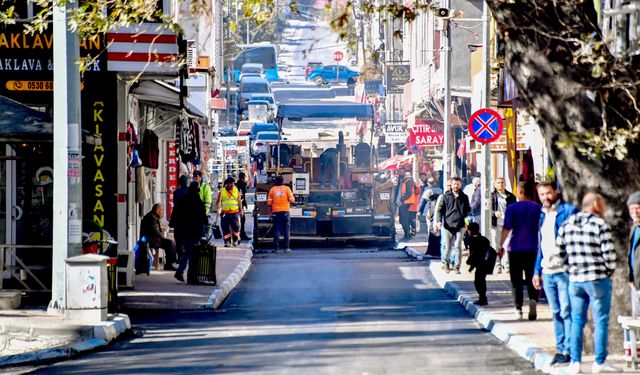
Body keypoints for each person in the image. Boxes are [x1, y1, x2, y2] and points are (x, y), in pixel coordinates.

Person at [557, 192, 621, 374]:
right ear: (594, 205)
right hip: (597, 279)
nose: (604, 208)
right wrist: (608, 271)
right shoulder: (600, 224)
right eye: (602, 204)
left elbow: (559, 252)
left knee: (577, 320)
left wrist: (570, 270)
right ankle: (599, 361)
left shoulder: (567, 224)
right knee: (601, 320)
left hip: (575, 280)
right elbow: (609, 255)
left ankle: (575, 362)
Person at [532, 181, 578, 366]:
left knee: (567, 311)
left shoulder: (567, 211)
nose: (546, 197)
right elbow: (541, 245)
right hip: (548, 271)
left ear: (556, 192)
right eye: (542, 194)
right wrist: (537, 271)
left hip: (564, 271)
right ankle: (560, 349)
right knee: (556, 312)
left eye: (548, 193)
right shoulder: (542, 214)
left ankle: (569, 350)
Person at [500, 185, 541, 320]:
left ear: (520, 192)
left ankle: (518, 309)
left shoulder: (512, 208)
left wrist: (500, 246)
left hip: (515, 248)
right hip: (532, 248)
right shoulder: (537, 208)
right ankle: (533, 299)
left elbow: (506, 228)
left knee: (515, 281)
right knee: (532, 278)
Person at [173, 181, 207, 283]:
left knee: (186, 252)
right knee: (193, 253)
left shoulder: (183, 200)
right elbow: (203, 217)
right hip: (194, 232)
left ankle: (179, 271)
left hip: (183, 231)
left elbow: (176, 214)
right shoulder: (197, 201)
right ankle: (191, 277)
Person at [435, 177, 470, 274]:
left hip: (460, 225)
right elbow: (439, 210)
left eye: (458, 184)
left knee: (458, 246)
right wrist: (438, 221)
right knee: (448, 246)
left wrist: (467, 223)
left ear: (460, 184)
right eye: (454, 184)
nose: (456, 186)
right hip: (447, 225)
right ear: (451, 185)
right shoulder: (445, 197)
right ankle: (446, 263)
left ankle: (457, 266)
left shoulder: (464, 197)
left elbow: (467, 212)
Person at [140, 203, 177, 271]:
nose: (162, 212)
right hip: (150, 239)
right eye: (162, 210)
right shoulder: (151, 218)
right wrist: (163, 238)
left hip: (152, 238)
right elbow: (156, 232)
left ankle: (169, 263)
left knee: (171, 243)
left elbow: (157, 231)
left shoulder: (154, 216)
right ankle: (169, 264)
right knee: (170, 243)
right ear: (157, 210)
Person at [491, 177, 516, 273]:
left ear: (505, 184)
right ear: (495, 184)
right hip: (496, 223)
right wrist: (494, 213)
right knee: (496, 245)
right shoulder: (492, 196)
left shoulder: (511, 196)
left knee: (508, 244)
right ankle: (498, 265)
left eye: (502, 182)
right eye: (498, 182)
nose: (500, 184)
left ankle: (508, 265)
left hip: (508, 224)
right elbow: (487, 210)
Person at [466, 222, 494, 306]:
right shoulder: (484, 239)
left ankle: (483, 298)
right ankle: (482, 298)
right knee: (480, 280)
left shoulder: (472, 241)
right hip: (486, 262)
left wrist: (471, 265)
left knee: (479, 281)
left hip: (481, 263)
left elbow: (475, 254)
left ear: (471, 231)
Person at [267, 175, 295, 254]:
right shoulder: (287, 189)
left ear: (276, 181)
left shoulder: (272, 190)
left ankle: (276, 248)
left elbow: (269, 203)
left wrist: (270, 215)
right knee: (286, 230)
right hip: (285, 212)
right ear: (283, 181)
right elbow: (292, 200)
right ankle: (287, 248)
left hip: (276, 212)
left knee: (276, 230)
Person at [216, 177, 243, 247]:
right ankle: (227, 241)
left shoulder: (236, 190)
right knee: (225, 228)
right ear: (227, 184)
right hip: (225, 213)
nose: (232, 185)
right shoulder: (222, 192)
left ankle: (235, 240)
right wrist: (218, 208)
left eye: (233, 183)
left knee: (236, 227)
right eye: (231, 183)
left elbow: (239, 201)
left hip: (234, 212)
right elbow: (218, 201)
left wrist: (241, 210)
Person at [170, 175, 190, 260]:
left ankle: (180, 257)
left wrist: (172, 221)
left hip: (178, 219)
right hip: (187, 220)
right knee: (186, 239)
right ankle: (186, 256)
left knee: (178, 239)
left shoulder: (176, 192)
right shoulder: (190, 192)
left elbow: (175, 207)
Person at [433, 179, 451, 265]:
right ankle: (444, 261)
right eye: (448, 186)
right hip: (445, 223)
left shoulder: (460, 197)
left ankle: (453, 261)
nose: (450, 188)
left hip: (456, 224)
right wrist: (437, 222)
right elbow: (438, 211)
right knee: (444, 243)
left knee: (455, 245)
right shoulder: (442, 197)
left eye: (451, 185)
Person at [395, 167, 417, 241]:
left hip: (406, 203)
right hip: (403, 202)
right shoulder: (402, 180)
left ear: (404, 172)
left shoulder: (408, 180)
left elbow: (409, 192)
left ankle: (407, 236)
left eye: (400, 172)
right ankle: (406, 235)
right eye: (399, 172)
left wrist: (402, 199)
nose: (399, 173)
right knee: (402, 220)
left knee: (404, 220)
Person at [628, 191, 640, 316]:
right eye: (631, 209)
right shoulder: (634, 229)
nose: (634, 212)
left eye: (637, 208)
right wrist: (630, 277)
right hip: (636, 283)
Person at [236, 172, 251, 240]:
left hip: (237, 204)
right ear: (243, 177)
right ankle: (241, 234)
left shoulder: (236, 184)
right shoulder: (241, 185)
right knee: (242, 219)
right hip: (239, 204)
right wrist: (243, 204)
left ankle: (239, 234)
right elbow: (242, 196)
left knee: (239, 220)